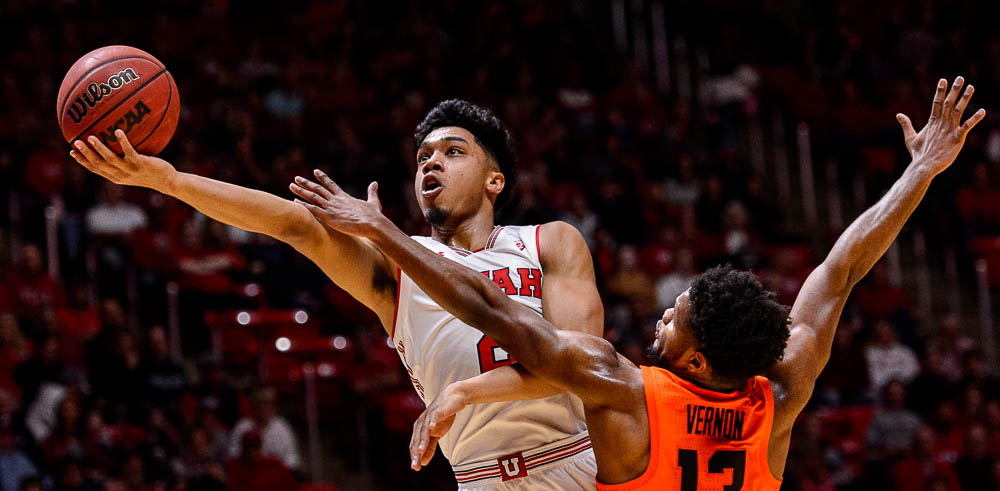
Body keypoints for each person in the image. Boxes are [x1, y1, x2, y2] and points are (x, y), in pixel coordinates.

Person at [291, 77, 984, 488]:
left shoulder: (626, 391)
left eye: (674, 316)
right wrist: (918, 173)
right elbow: (840, 272)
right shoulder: (785, 389)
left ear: (694, 359)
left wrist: (383, 234)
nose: (661, 315)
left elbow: (488, 308)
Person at [71, 99, 604, 488]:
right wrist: (168, 180)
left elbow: (579, 367)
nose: (430, 163)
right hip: (480, 478)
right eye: (422, 157)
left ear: (495, 181)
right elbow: (293, 224)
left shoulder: (548, 242)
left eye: (452, 151)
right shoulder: (397, 269)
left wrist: (464, 392)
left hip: (576, 461)